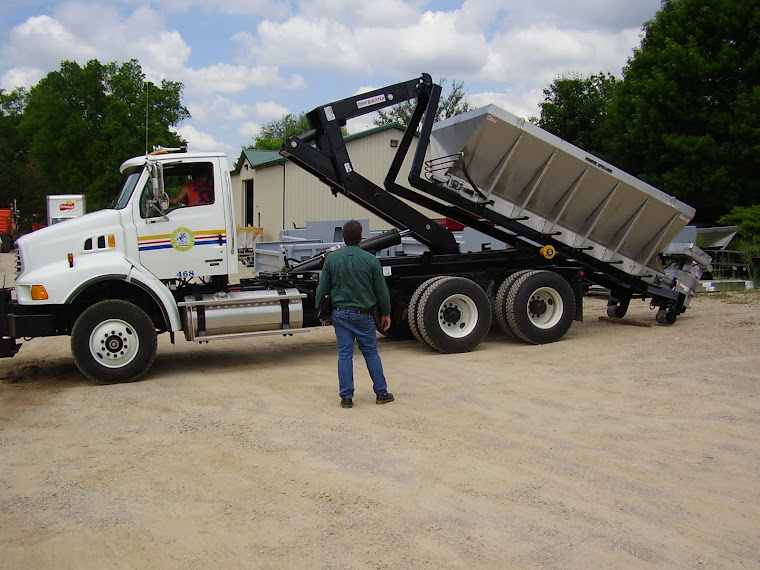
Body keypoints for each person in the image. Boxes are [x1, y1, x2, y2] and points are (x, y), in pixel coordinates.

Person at [315, 220, 394, 409]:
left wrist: (320, 311)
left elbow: (322, 288)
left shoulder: (332, 259)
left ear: (343, 237)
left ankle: (346, 397)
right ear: (361, 237)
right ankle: (381, 393)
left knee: (344, 355)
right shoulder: (371, 260)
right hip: (364, 315)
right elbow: (381, 291)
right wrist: (386, 313)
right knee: (371, 353)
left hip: (340, 315)